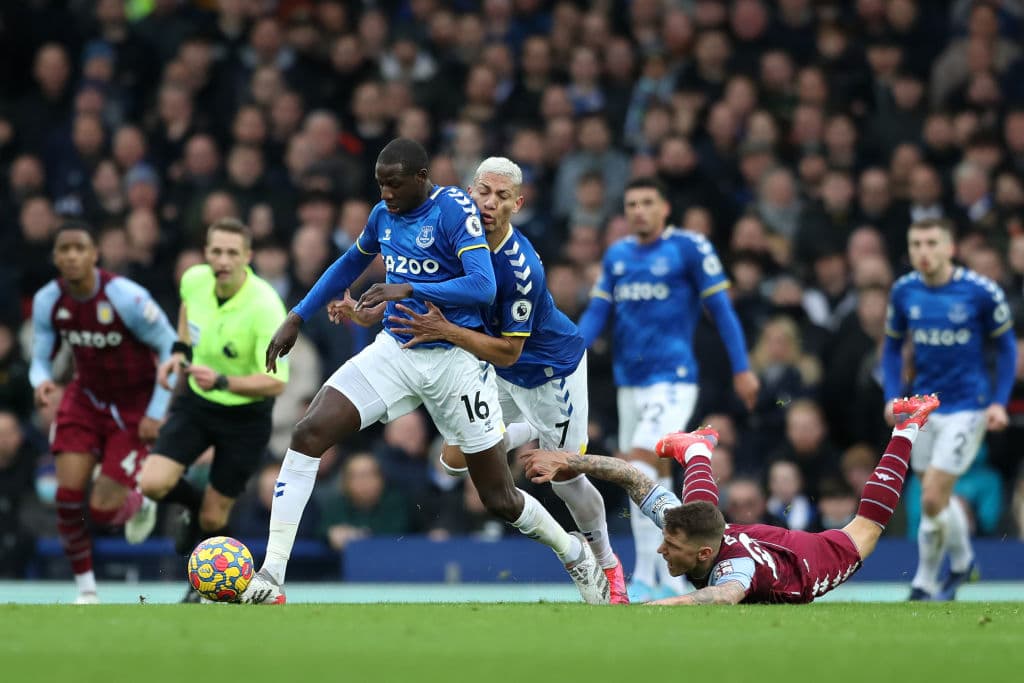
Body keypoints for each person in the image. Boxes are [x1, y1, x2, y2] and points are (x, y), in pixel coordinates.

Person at [242, 138, 608, 604]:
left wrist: (404, 288)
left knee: (500, 499)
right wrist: (297, 315)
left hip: (455, 365)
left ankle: (573, 551)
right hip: (396, 351)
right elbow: (350, 262)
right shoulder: (382, 216)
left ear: (421, 178)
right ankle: (272, 575)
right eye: (379, 185)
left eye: (394, 185)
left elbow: (482, 285)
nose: (386, 194)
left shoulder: (455, 210)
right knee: (309, 432)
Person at [331, 156, 628, 603]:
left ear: (518, 203)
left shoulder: (521, 267)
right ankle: (529, 432)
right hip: (491, 370)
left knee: (564, 474)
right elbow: (418, 293)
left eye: (501, 196)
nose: (489, 203)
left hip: (546, 373)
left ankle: (606, 561)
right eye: (483, 192)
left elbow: (511, 350)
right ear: (470, 192)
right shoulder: (452, 236)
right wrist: (371, 312)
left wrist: (445, 331)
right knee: (452, 460)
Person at [522, 395, 941, 604]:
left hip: (809, 561)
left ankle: (907, 427)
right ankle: (698, 447)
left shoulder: (733, 571)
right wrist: (572, 461)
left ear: (705, 554)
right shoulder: (697, 533)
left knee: (865, 532)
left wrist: (649, 610)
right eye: (667, 541)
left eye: (671, 546)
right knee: (695, 512)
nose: (661, 547)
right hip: (743, 535)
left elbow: (717, 597)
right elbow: (632, 477)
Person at [575, 176, 760, 601]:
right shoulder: (618, 256)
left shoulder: (689, 248)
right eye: (631, 204)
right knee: (648, 474)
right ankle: (670, 576)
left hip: (673, 379)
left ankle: (647, 573)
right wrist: (566, 355)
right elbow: (597, 314)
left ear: (664, 209)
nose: (638, 210)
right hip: (630, 384)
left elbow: (722, 311)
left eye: (646, 202)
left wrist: (743, 368)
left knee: (636, 462)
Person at [136, 217, 289, 601]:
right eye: (216, 251)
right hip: (197, 403)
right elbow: (188, 313)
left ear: (247, 257)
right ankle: (188, 507)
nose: (222, 260)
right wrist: (179, 352)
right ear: (206, 253)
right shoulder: (194, 279)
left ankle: (197, 589)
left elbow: (277, 381)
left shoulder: (265, 306)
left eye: (231, 253)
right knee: (152, 483)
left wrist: (223, 381)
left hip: (246, 416)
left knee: (214, 517)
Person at [30, 220, 177, 603]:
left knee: (101, 509)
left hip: (135, 406)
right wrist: (41, 380)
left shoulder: (126, 298)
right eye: (65, 249)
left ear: (95, 255)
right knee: (66, 496)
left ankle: (139, 501)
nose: (72, 256)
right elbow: (41, 354)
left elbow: (170, 347)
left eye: (80, 248)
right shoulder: (50, 300)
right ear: (56, 257)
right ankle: (87, 591)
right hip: (86, 399)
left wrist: (157, 411)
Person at [883, 218, 1017, 601]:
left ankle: (924, 582)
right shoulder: (904, 291)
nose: (923, 252)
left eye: (930, 243)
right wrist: (892, 396)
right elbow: (892, 347)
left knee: (931, 496)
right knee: (934, 493)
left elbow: (1006, 348)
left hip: (967, 407)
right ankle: (962, 563)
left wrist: (998, 401)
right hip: (924, 407)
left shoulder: (980, 292)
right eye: (915, 244)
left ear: (949, 248)